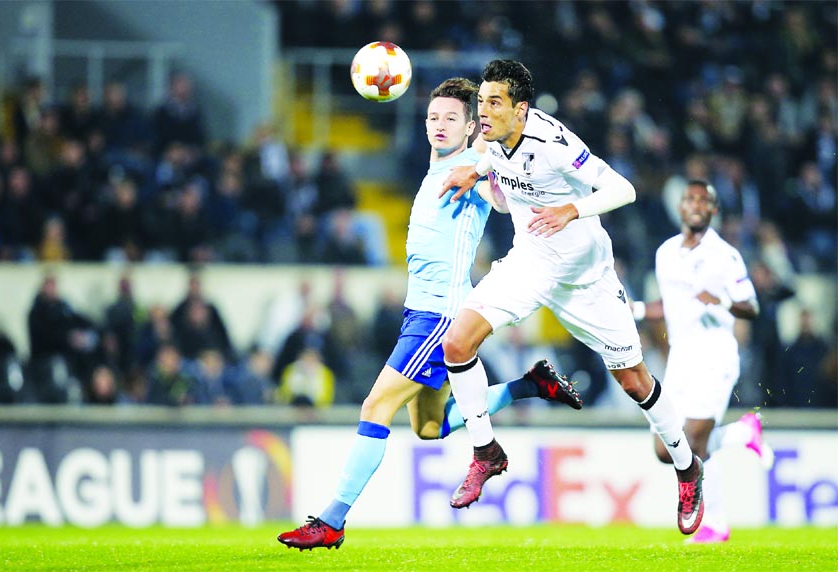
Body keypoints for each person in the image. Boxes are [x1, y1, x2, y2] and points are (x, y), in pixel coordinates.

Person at [277, 77, 582, 551]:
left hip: (439, 317)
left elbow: (500, 200)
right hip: (418, 313)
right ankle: (532, 384)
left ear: (469, 129)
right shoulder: (436, 165)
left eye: (451, 119)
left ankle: (331, 521)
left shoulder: (472, 168)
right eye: (433, 118)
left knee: (375, 407)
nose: (439, 125)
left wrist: (489, 169)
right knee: (429, 428)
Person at [438, 60, 703, 535]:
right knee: (457, 344)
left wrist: (571, 209)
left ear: (521, 110)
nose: (483, 111)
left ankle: (687, 467)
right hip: (530, 262)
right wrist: (473, 175)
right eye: (480, 102)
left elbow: (624, 189)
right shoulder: (491, 138)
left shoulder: (554, 144)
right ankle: (486, 451)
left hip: (587, 278)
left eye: (494, 103)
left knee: (635, 383)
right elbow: (492, 159)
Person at [629, 179, 772, 543]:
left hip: (715, 351)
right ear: (680, 207)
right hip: (681, 356)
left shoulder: (726, 256)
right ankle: (743, 432)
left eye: (703, 200)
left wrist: (720, 301)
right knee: (666, 449)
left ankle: (715, 523)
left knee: (693, 442)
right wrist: (637, 309)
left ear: (713, 210)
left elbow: (751, 305)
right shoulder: (665, 253)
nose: (695, 205)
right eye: (689, 199)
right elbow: (671, 304)